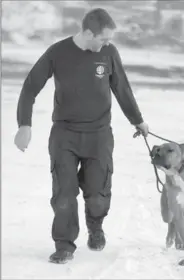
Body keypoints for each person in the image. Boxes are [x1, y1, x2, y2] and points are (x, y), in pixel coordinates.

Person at [14, 8, 149, 264]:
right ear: (88, 33)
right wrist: (24, 125)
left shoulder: (108, 53)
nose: (108, 43)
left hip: (99, 135)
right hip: (65, 135)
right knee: (64, 194)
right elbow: (30, 87)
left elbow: (122, 88)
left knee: (98, 194)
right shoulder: (58, 52)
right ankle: (64, 245)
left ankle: (95, 226)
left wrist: (138, 120)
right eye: (103, 38)